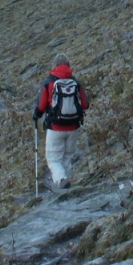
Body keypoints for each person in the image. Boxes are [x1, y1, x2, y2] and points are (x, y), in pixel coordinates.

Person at [32, 53, 89, 190]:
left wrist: (36, 116)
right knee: (67, 157)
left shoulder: (48, 83)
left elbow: (41, 107)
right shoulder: (76, 82)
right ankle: (65, 187)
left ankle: (61, 180)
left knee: (53, 159)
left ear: (54, 65)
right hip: (73, 126)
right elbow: (85, 104)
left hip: (55, 127)